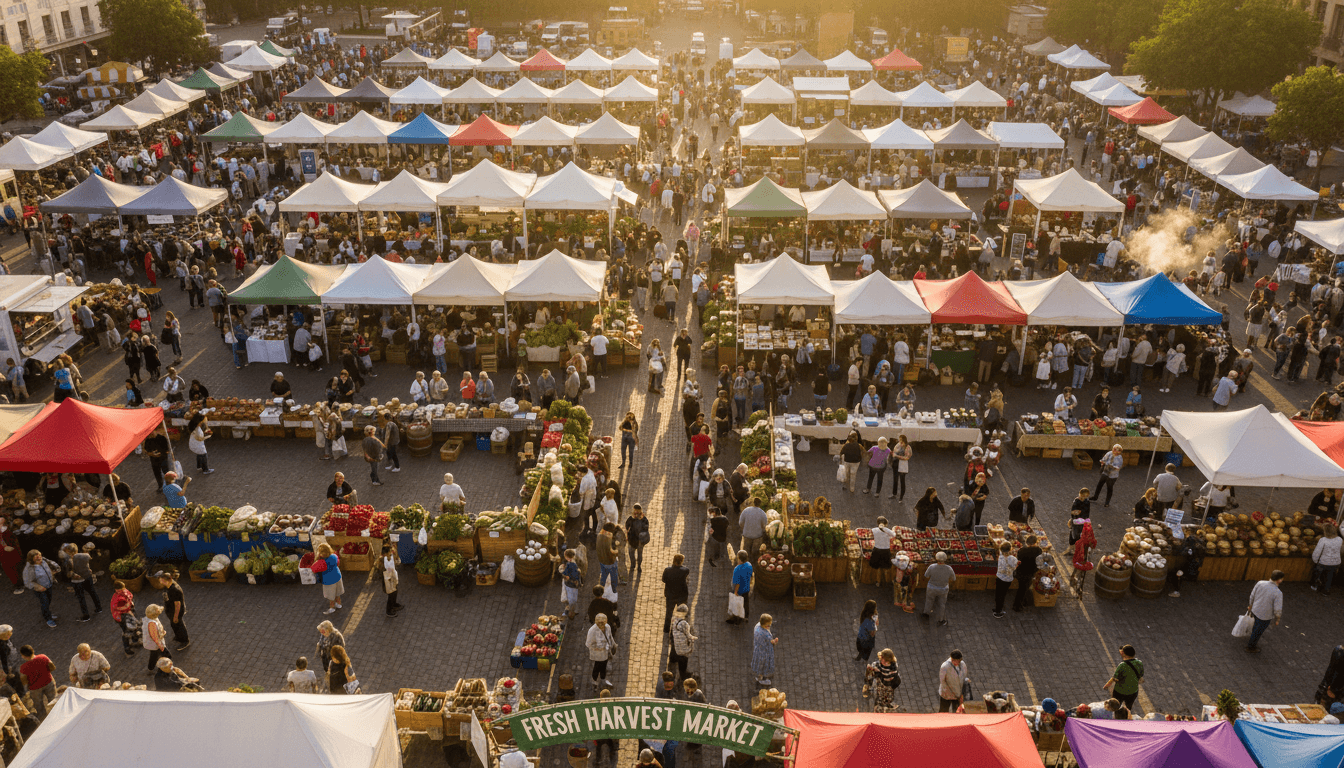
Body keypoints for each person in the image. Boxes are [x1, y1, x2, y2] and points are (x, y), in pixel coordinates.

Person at [1245, 569, 1285, 653]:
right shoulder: (1278, 593)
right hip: (1265, 616)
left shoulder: (1260, 583)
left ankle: (1251, 640)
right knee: (1258, 631)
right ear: (1279, 580)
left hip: (1255, 609)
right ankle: (1251, 646)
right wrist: (1277, 619)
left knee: (1255, 626)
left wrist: (1250, 606)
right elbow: (1278, 609)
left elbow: (1252, 595)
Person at [59, 543, 101, 622]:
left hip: (78, 581)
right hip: (88, 578)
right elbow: (88, 566)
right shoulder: (83, 556)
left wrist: (73, 575)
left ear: (68, 552)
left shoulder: (68, 561)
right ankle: (99, 608)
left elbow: (68, 574)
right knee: (92, 592)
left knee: (81, 598)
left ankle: (86, 616)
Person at [22, 549, 61, 628]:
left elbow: (56, 566)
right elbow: (27, 581)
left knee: (48, 601)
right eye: (36, 557)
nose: (39, 558)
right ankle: (48, 619)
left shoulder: (44, 561)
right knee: (45, 603)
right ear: (31, 558)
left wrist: (53, 570)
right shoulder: (29, 568)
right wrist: (37, 586)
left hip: (49, 586)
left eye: (40, 555)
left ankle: (48, 614)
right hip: (40, 589)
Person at [1102, 644, 1144, 711]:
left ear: (1124, 654)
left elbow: (1115, 678)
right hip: (1133, 691)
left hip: (1120, 691)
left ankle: (1117, 715)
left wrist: (1107, 685)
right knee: (1128, 707)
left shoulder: (1122, 665)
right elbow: (1141, 675)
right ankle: (1126, 716)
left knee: (1116, 706)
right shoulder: (1139, 663)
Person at [19, 645, 57, 719]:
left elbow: (24, 681)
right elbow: (52, 667)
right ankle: (57, 715)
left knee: (39, 706)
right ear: (33, 651)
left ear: (23, 656)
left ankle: (44, 720)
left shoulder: (23, 667)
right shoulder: (43, 657)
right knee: (53, 700)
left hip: (35, 688)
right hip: (48, 682)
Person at [155, 569, 189, 650]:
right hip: (171, 611)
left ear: (167, 580)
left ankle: (185, 641)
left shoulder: (174, 590)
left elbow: (177, 604)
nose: (160, 582)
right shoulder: (168, 586)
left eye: (161, 580)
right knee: (174, 625)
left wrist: (176, 616)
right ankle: (178, 637)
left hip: (176, 612)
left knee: (179, 625)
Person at [923, 552, 957, 625]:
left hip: (931, 587)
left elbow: (926, 576)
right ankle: (941, 620)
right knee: (942, 604)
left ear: (936, 558)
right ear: (945, 559)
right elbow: (953, 579)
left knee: (929, 600)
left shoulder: (931, 566)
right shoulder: (949, 568)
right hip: (943, 589)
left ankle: (926, 613)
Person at [586, 613, 617, 690]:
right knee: (597, 667)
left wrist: (613, 644)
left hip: (606, 652)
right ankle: (594, 682)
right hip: (597, 654)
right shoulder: (592, 631)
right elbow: (588, 644)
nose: (602, 625)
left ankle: (603, 679)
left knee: (604, 666)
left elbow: (610, 636)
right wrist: (599, 648)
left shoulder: (607, 627)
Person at [1013, 535, 1044, 612]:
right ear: (1035, 542)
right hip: (1030, 572)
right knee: (1024, 588)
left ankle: (1019, 603)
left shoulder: (1022, 551)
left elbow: (1019, 558)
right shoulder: (1038, 550)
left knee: (1021, 588)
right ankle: (1017, 606)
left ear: (1027, 542)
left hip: (1021, 571)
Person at [110, 580, 139, 656]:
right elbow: (119, 608)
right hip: (121, 616)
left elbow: (130, 596)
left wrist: (129, 605)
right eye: (121, 589)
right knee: (126, 632)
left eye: (123, 588)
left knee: (133, 626)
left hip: (128, 612)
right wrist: (128, 608)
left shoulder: (123, 591)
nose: (124, 590)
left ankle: (135, 640)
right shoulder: (117, 599)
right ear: (117, 590)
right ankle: (127, 649)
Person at [314, 542, 344, 614]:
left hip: (329, 580)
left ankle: (332, 607)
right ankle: (339, 604)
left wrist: (317, 559)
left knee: (331, 596)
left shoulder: (321, 561)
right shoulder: (334, 556)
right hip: (337, 576)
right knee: (337, 592)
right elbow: (338, 563)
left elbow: (314, 569)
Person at [668, 603, 695, 682]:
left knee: (673, 656)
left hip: (675, 647)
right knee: (682, 665)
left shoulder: (674, 622)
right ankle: (683, 677)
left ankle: (672, 660)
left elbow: (671, 635)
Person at [1313, 525, 1342, 595]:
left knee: (1318, 573)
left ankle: (1315, 586)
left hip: (1324, 562)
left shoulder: (1323, 540)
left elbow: (1317, 552)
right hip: (1336, 562)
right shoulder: (1339, 539)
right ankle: (1326, 590)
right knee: (1329, 576)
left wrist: (1315, 560)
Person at [993, 542, 1019, 619]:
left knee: (998, 593)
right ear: (1010, 549)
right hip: (1007, 579)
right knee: (1002, 595)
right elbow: (1015, 567)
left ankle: (996, 607)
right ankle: (998, 611)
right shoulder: (1012, 559)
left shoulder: (1000, 555)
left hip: (999, 577)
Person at [142, 604, 169, 673]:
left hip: (154, 644)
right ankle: (158, 669)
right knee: (163, 655)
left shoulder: (150, 618)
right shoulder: (151, 624)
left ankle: (151, 668)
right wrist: (161, 646)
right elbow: (154, 637)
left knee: (154, 655)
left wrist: (162, 632)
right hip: (155, 644)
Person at [751, 614, 778, 685]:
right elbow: (771, 642)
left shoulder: (757, 626)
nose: (769, 626)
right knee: (763, 666)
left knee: (759, 665)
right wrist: (774, 642)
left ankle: (759, 676)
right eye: (768, 625)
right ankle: (762, 680)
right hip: (764, 652)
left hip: (758, 650)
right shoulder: (764, 634)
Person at [624, 504, 649, 575]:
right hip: (639, 540)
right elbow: (646, 528)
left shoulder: (632, 518)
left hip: (634, 539)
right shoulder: (644, 518)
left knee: (632, 553)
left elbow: (626, 526)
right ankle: (638, 566)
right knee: (639, 553)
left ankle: (633, 565)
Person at [729, 550, 752, 625]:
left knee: (738, 605)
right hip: (746, 588)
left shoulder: (737, 569)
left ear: (739, 559)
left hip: (739, 591)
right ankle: (746, 616)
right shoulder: (749, 565)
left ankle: (738, 619)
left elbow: (737, 584)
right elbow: (750, 576)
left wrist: (735, 593)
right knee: (746, 602)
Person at [381, 543, 402, 617]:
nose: (391, 551)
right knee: (391, 594)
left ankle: (394, 604)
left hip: (392, 575)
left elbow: (398, 561)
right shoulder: (384, 560)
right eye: (390, 551)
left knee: (395, 591)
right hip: (388, 578)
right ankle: (388, 611)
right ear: (386, 553)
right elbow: (387, 570)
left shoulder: (391, 556)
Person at [890, 435, 912, 501]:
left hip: (902, 465)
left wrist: (897, 456)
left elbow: (907, 457)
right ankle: (894, 494)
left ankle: (901, 497)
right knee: (895, 480)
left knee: (902, 481)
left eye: (901, 440)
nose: (900, 442)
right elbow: (894, 451)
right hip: (896, 464)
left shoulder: (908, 447)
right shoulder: (898, 445)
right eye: (899, 440)